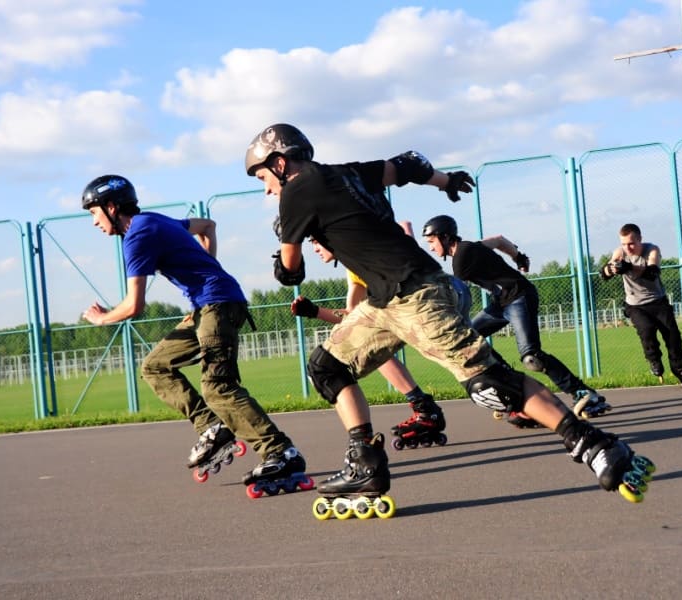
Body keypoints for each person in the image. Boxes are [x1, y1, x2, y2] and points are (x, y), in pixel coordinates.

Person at [244, 123, 655, 505]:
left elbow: (291, 271)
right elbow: (408, 165)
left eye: (264, 178)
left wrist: (282, 262)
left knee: (491, 383)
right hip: (385, 302)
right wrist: (447, 182)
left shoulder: (296, 191)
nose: (266, 190)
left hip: (416, 297)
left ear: (280, 163)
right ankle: (364, 463)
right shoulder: (349, 172)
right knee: (327, 366)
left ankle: (598, 445)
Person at [80, 174, 311, 494]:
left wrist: (102, 318)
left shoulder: (136, 236)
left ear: (111, 207)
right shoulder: (154, 220)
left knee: (218, 386)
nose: (94, 222)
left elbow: (135, 305)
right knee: (155, 366)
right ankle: (214, 427)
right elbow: (208, 225)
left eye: (93, 213)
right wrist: (207, 271)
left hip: (217, 305)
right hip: (210, 305)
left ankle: (280, 452)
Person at [420, 215, 611, 421]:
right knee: (473, 339)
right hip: (501, 301)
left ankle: (584, 393)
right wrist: (518, 257)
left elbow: (455, 291)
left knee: (531, 357)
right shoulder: (471, 247)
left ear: (446, 237)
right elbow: (499, 240)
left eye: (431, 242)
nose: (431, 248)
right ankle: (512, 390)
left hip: (519, 296)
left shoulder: (462, 257)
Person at [291, 235, 448, 449]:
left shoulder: (359, 256)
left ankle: (419, 412)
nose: (315, 249)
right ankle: (424, 407)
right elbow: (351, 317)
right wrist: (314, 311)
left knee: (364, 350)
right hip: (431, 295)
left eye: (316, 243)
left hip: (426, 298)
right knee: (372, 347)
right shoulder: (353, 267)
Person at [600, 223, 682, 387]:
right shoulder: (620, 253)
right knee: (646, 330)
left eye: (631, 243)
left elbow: (652, 272)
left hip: (658, 301)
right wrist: (610, 269)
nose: (628, 248)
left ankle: (680, 369)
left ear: (640, 239)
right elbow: (605, 273)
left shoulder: (652, 250)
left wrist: (629, 267)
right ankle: (654, 360)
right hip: (635, 305)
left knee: (672, 335)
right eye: (624, 244)